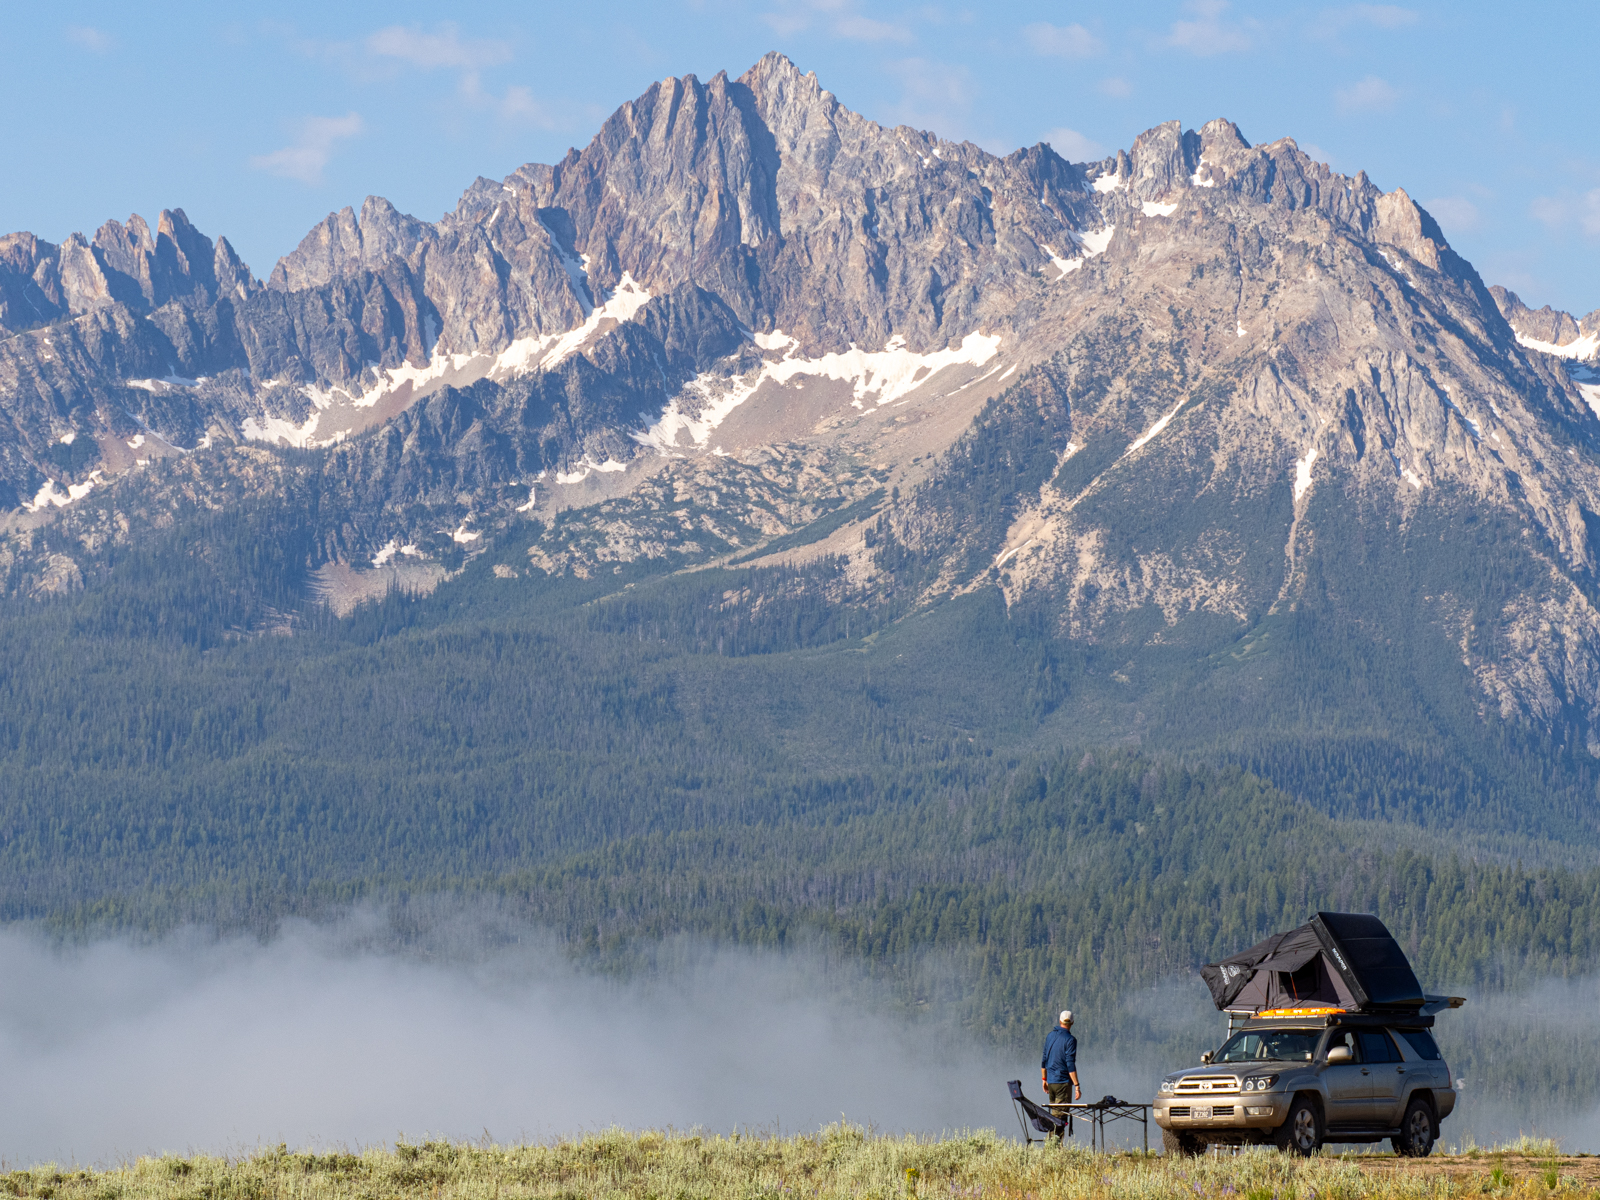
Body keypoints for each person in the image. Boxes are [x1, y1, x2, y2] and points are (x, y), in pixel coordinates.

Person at [1041, 1009, 1081, 1142]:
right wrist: (1077, 1085)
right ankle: (1053, 1149)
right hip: (1063, 1083)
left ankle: (1052, 1147)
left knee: (1054, 1116)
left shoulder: (1050, 1036)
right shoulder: (1070, 1040)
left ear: (1059, 1021)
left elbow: (1044, 1059)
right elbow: (1070, 1064)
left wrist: (1044, 1079)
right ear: (1072, 1023)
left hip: (1051, 1083)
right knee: (1060, 1118)